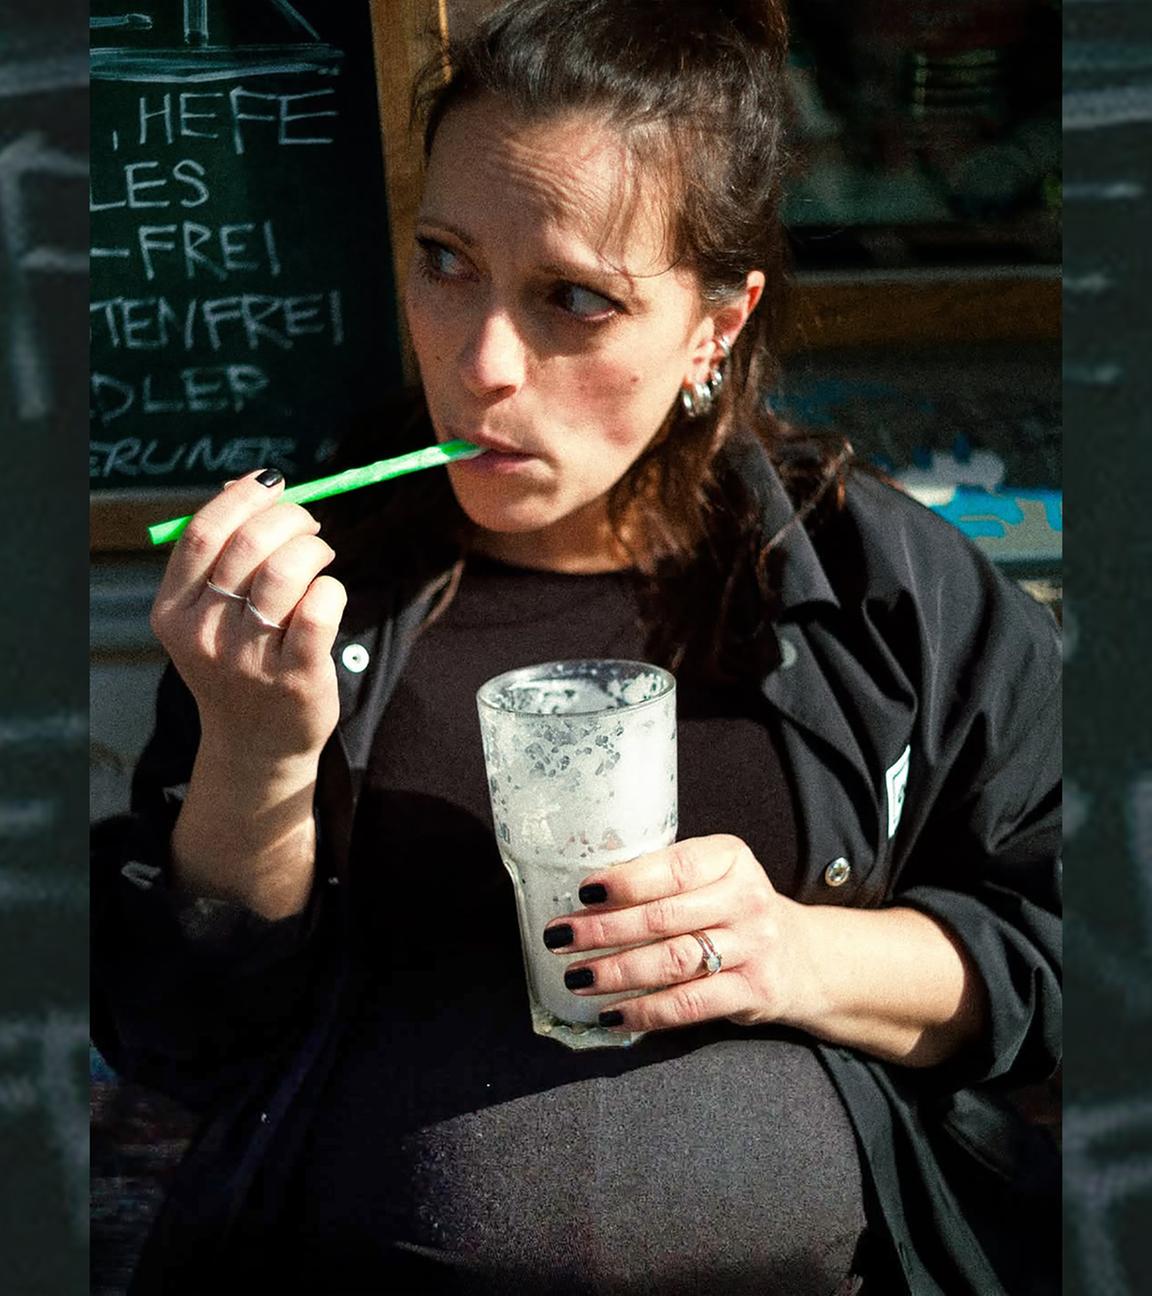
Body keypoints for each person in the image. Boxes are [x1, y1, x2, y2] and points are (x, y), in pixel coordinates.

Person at [91, 1, 1061, 1293]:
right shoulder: (324, 582)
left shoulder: (885, 592)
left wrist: (795, 952)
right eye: (447, 259)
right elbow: (180, 1036)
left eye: (575, 299)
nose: (484, 362)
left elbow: (1065, 937)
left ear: (715, 326)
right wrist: (256, 760)